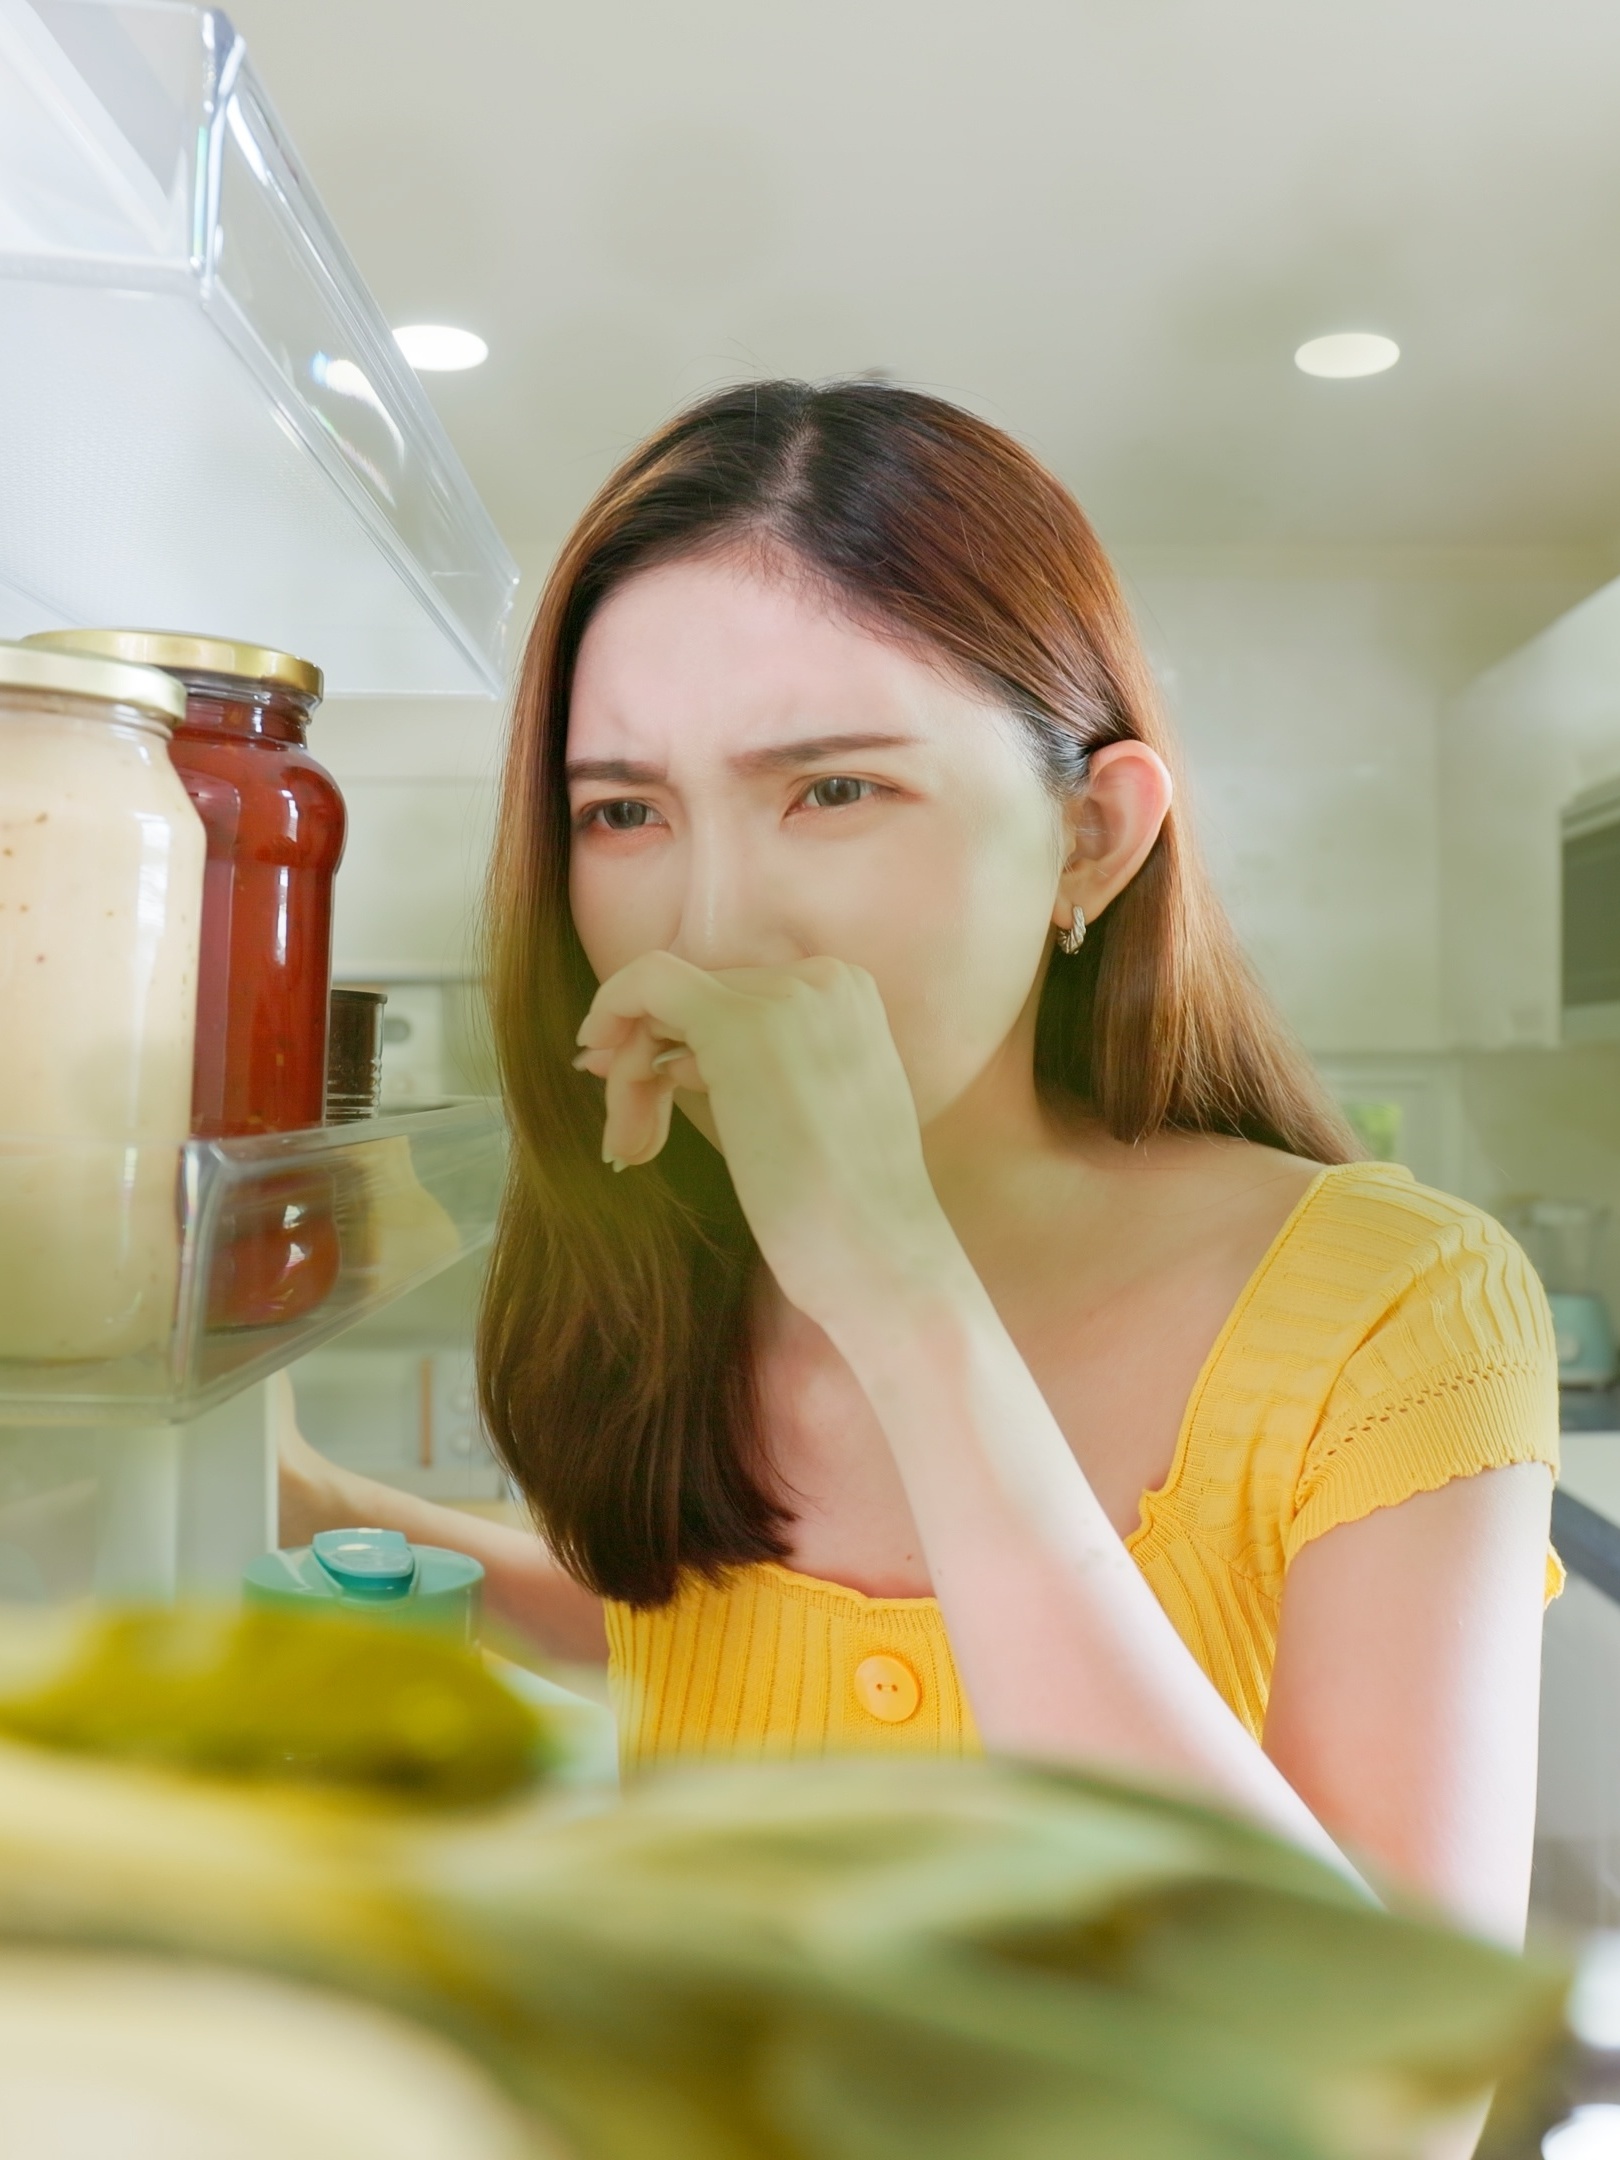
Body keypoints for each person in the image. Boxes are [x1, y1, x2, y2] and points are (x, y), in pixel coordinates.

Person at [282, 380, 1557, 1947]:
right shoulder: (676, 1252)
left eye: (835, 790)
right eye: (624, 812)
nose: (709, 929)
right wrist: (311, 1502)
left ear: (1092, 839)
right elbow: (709, 1638)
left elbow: (1394, 2091)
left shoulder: (1399, 1311)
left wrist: (903, 1297)